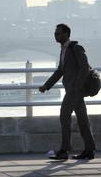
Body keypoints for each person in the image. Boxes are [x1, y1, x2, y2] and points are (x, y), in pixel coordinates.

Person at [39, 24, 96, 160]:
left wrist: (77, 86)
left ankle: (64, 150)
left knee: (64, 117)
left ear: (66, 34)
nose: (56, 35)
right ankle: (89, 150)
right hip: (74, 90)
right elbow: (60, 71)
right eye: (55, 33)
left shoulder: (76, 48)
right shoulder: (63, 50)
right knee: (83, 121)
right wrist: (46, 86)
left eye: (58, 33)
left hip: (74, 91)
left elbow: (84, 68)